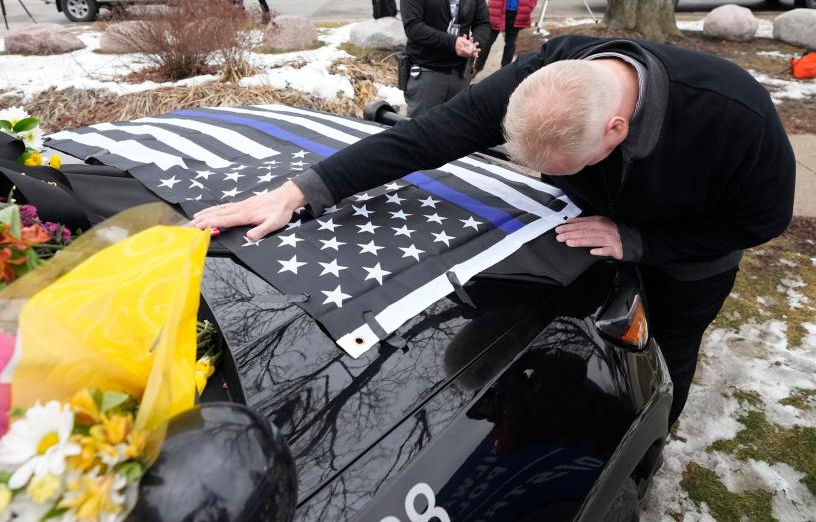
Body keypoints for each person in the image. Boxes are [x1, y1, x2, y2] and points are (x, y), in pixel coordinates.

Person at [192, 34, 796, 428]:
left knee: (669, 349)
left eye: (562, 168)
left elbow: (760, 221)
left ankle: (652, 442)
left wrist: (639, 241)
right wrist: (302, 191)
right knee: (598, 339)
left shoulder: (734, 117)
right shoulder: (546, 78)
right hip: (588, 228)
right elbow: (425, 137)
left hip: (692, 254)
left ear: (616, 131)